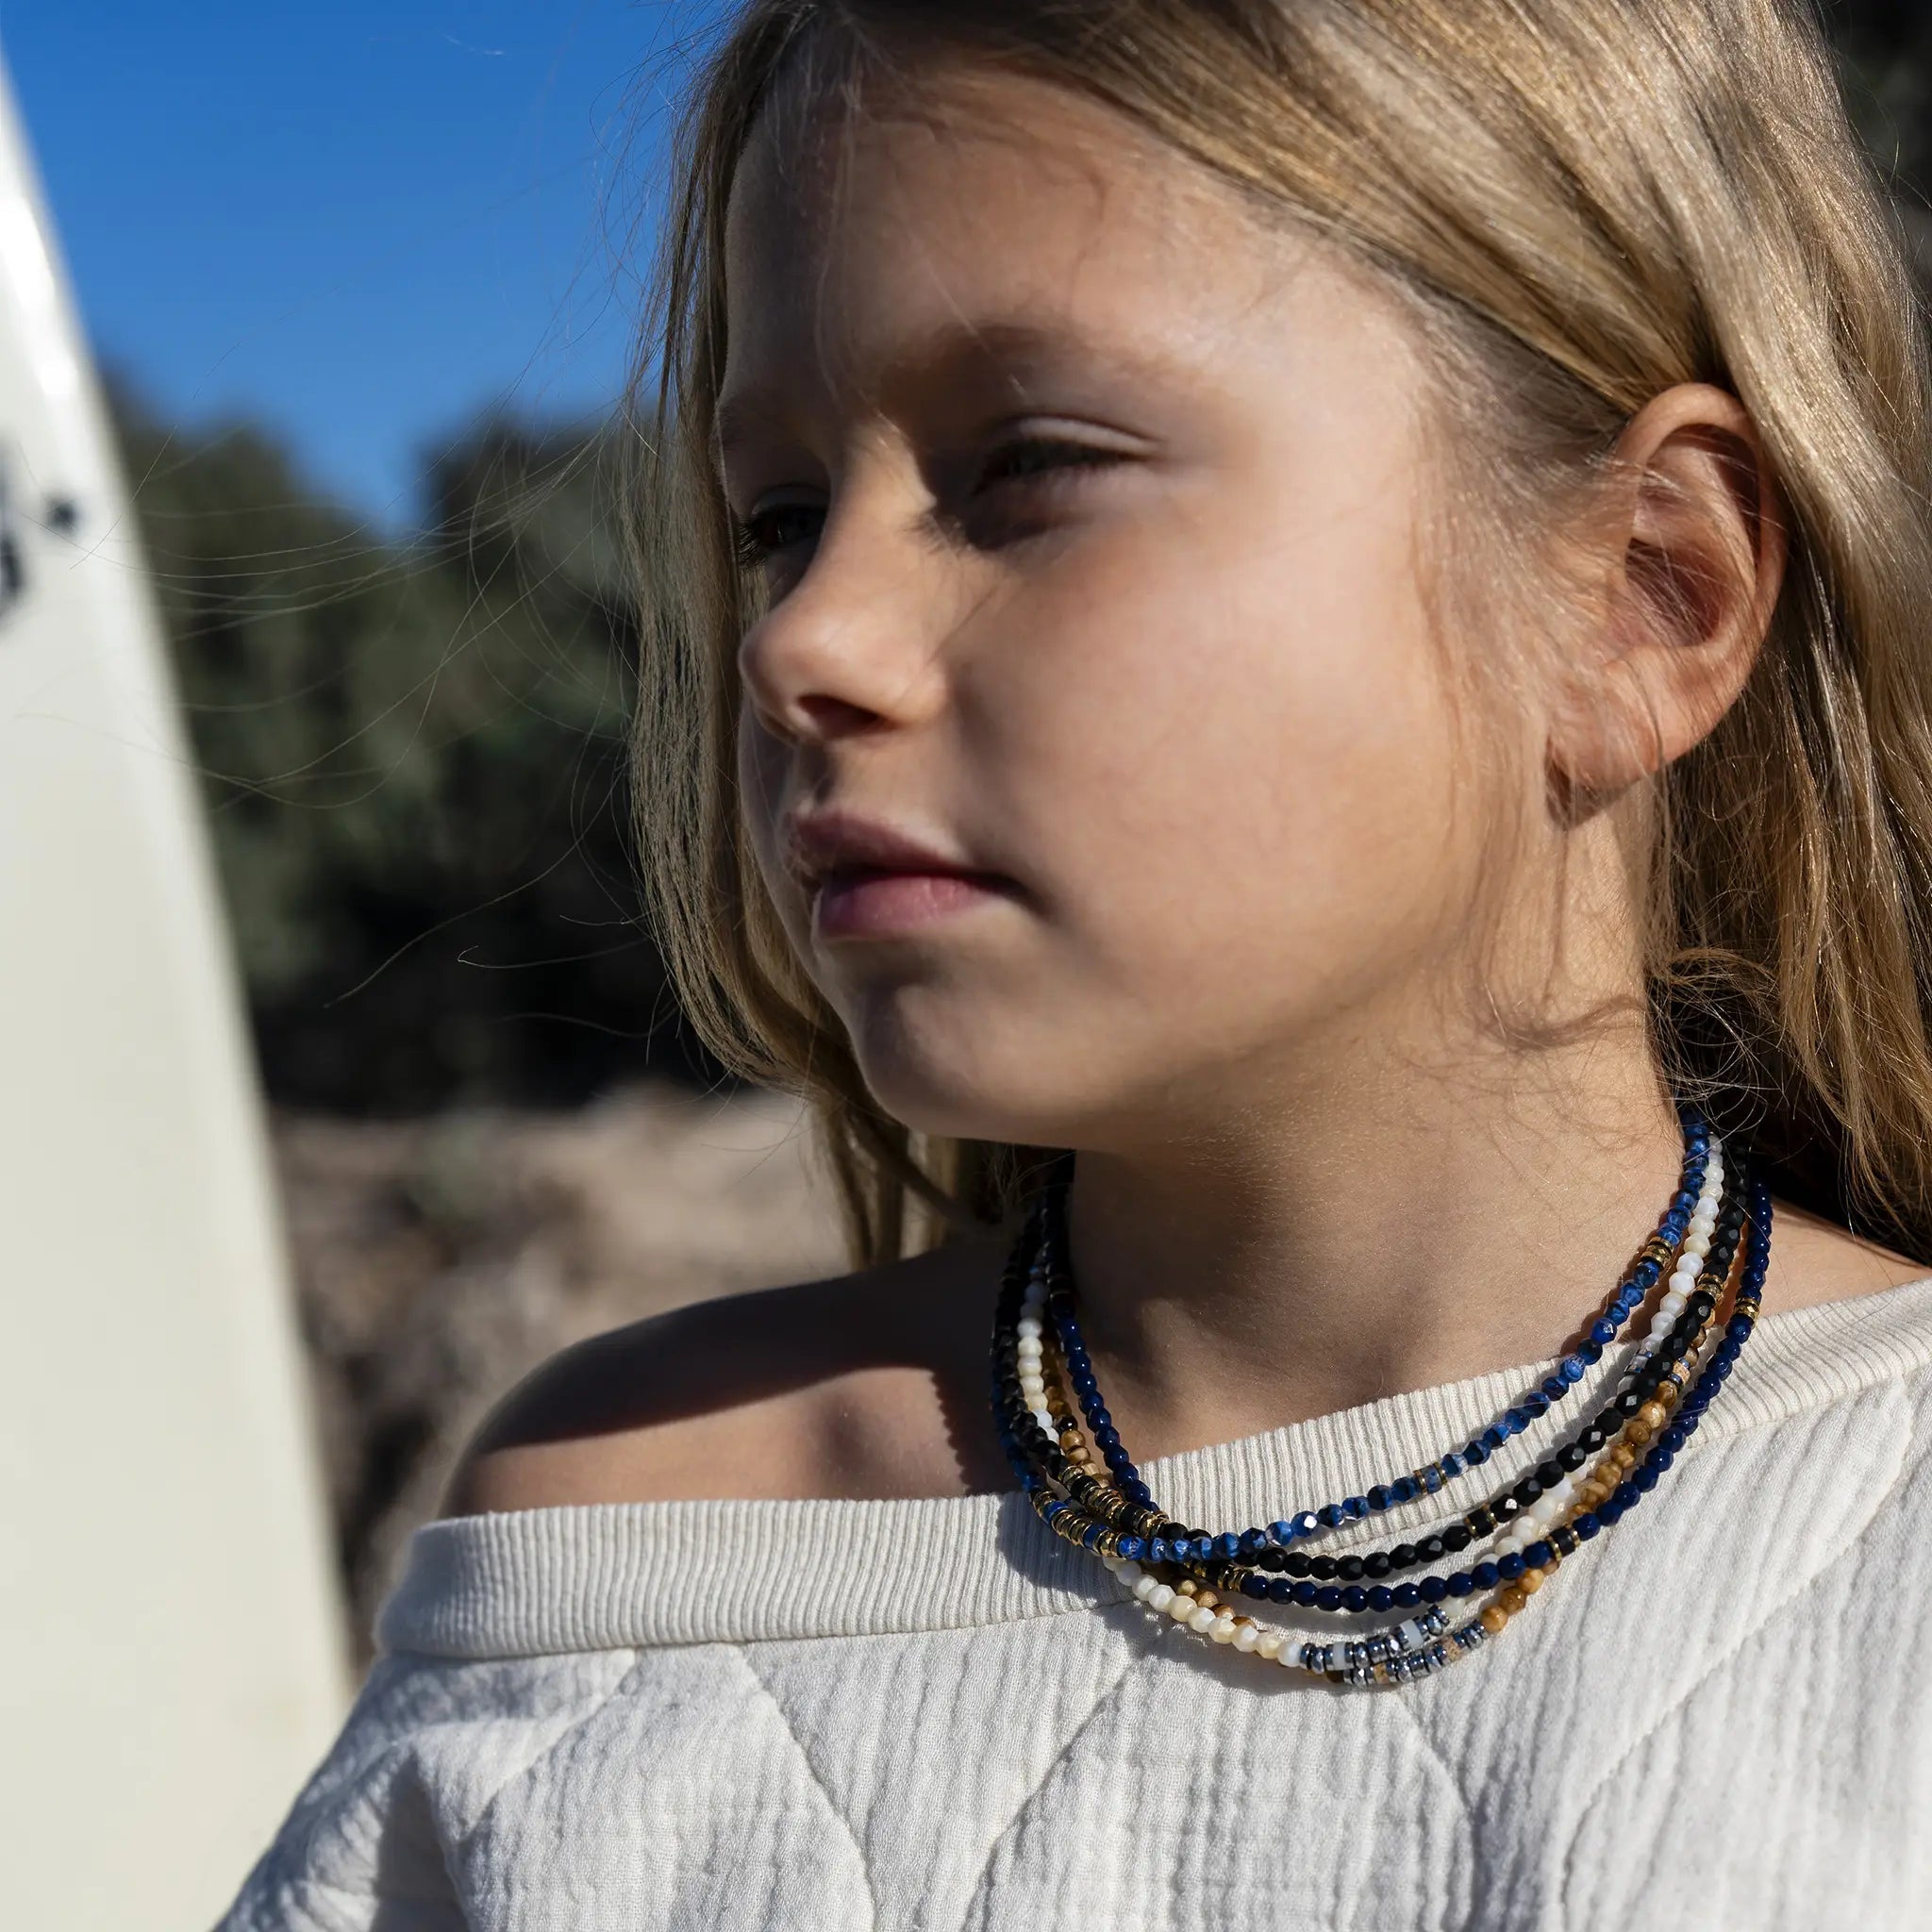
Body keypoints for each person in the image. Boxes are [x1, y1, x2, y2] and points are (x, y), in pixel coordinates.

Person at [217, 2, 1932, 1925]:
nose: (803, 641)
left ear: (1644, 596)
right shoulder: (622, 1566)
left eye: (1025, 466)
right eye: (779, 518)